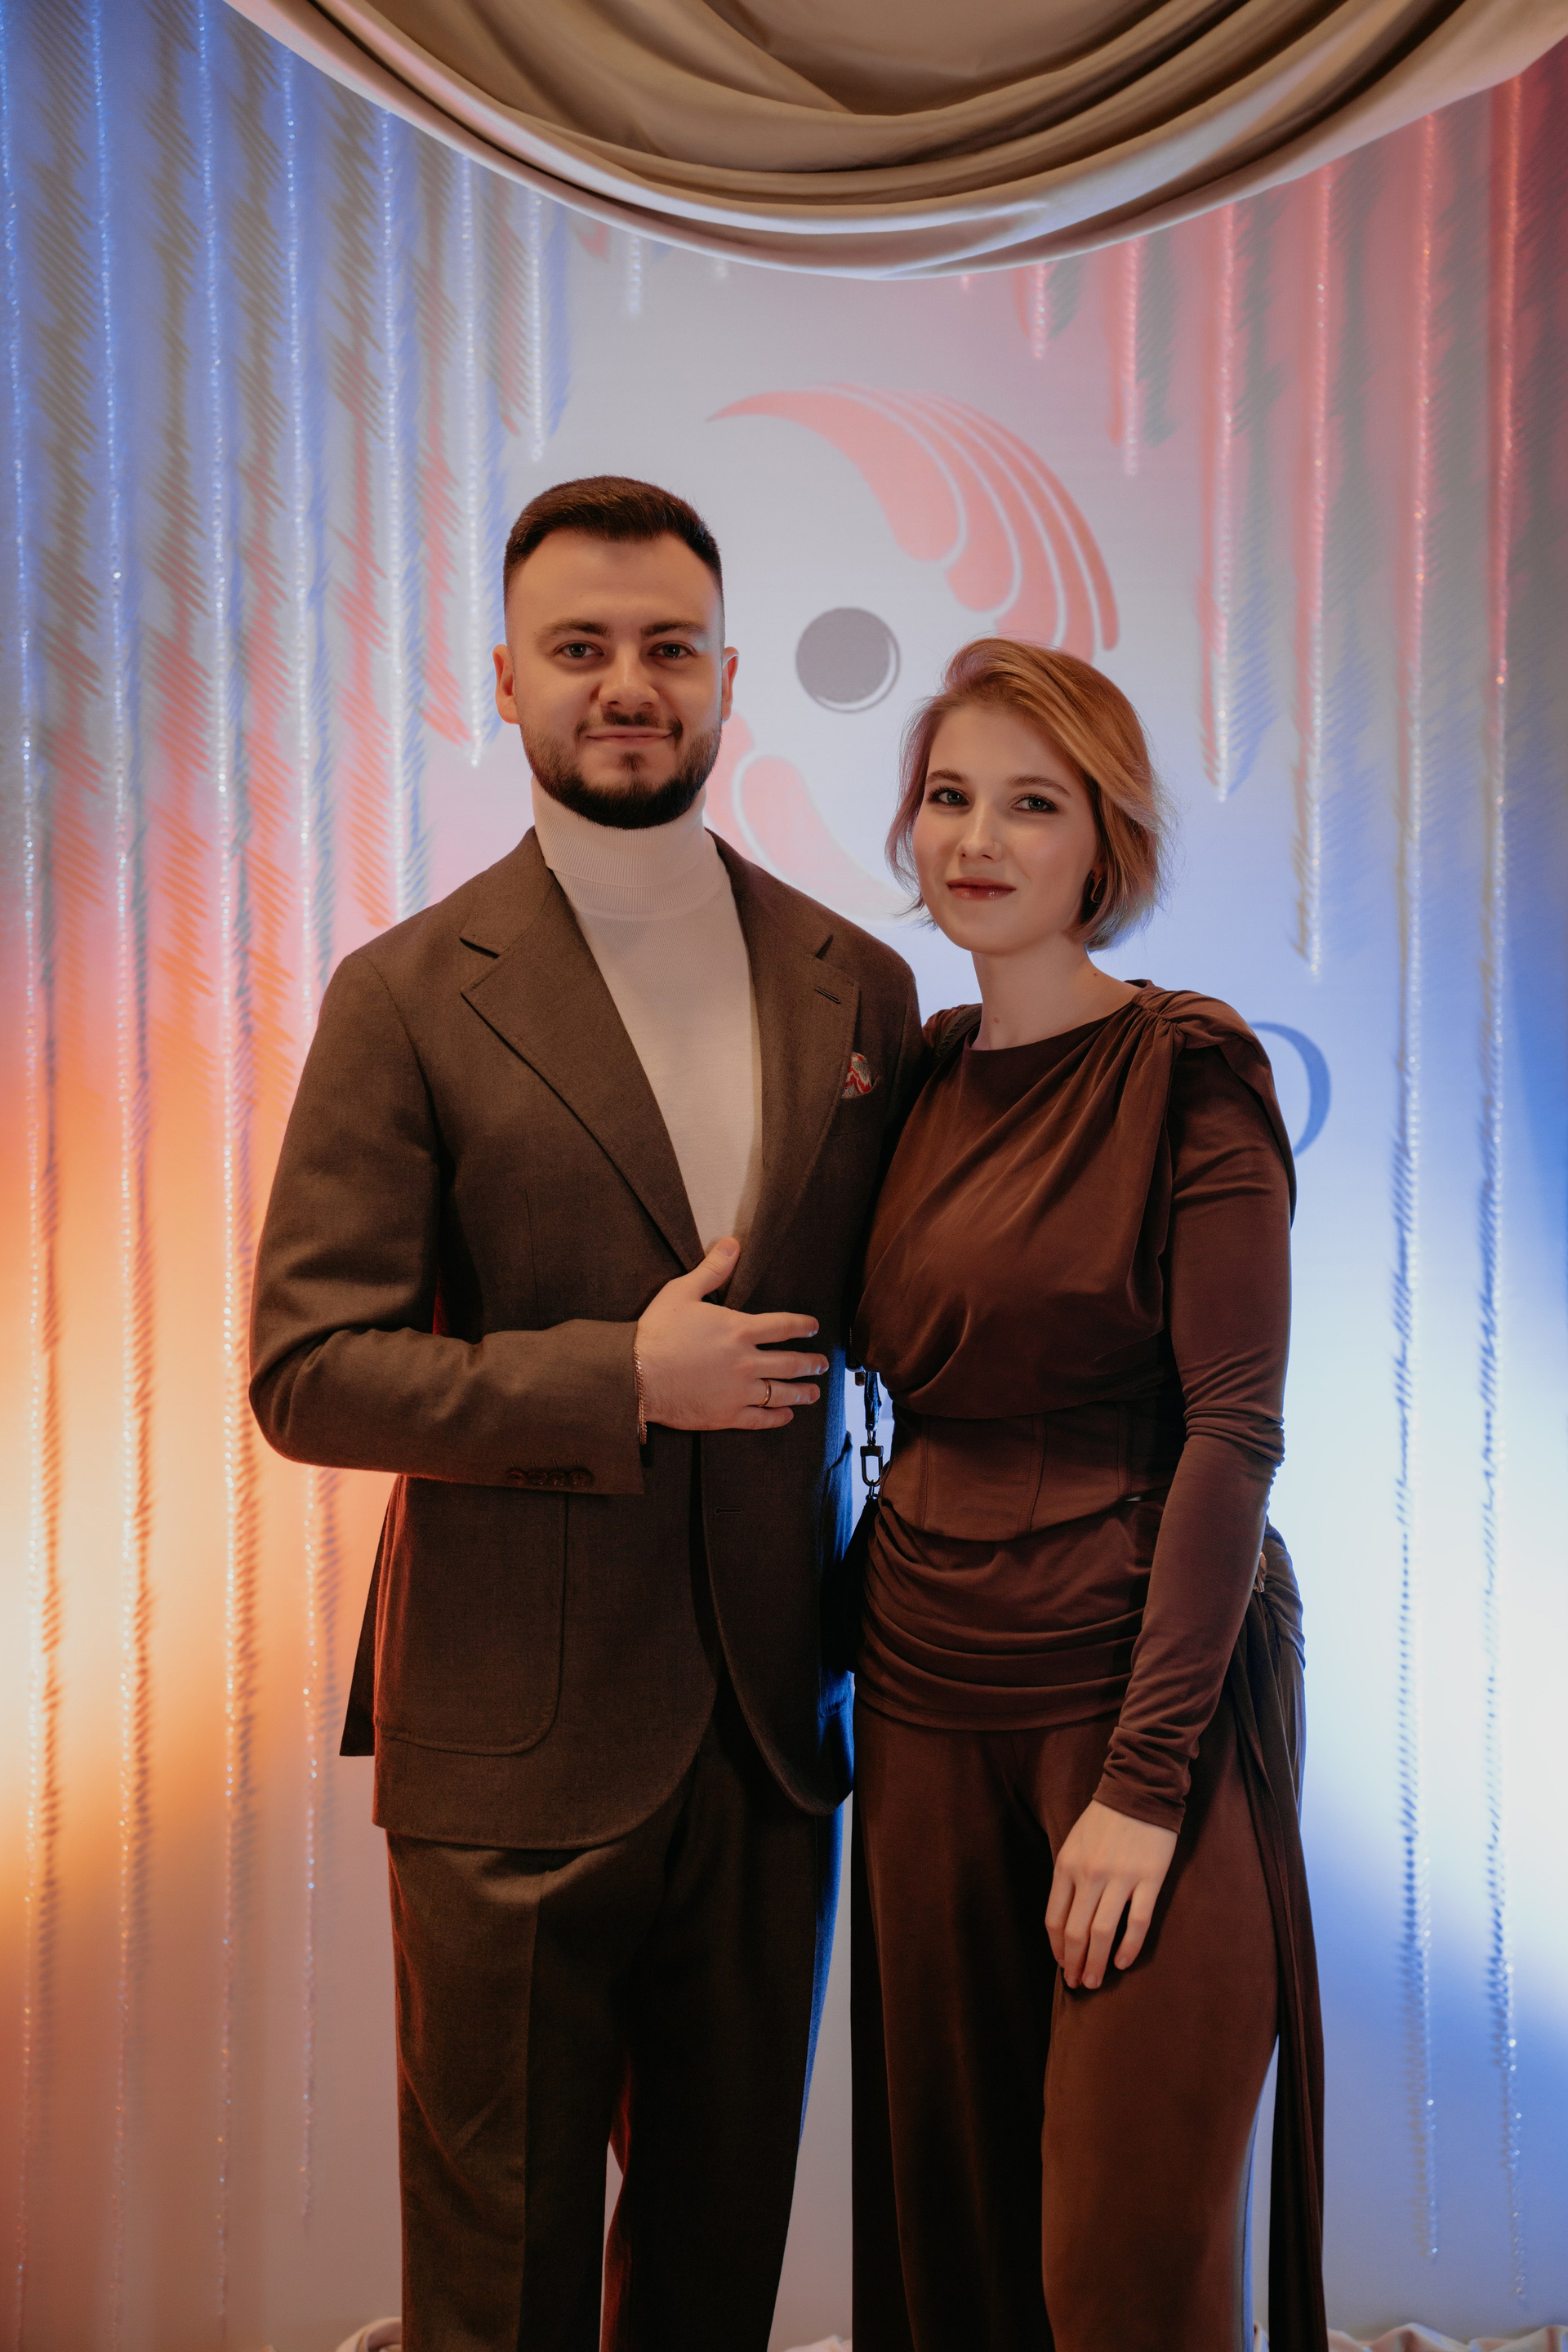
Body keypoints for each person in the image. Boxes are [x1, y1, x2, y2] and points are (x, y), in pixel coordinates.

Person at [249, 476, 921, 2352]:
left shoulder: (859, 983)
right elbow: (307, 1369)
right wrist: (623, 1375)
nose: (628, 683)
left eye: (667, 647)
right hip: (508, 1749)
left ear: (727, 678)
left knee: (716, 2274)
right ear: (506, 679)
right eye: (581, 647)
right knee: (498, 2292)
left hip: (775, 1742)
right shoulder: (404, 994)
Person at [848, 639, 1326, 2352]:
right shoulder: (910, 1080)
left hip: (1137, 1700)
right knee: (959, 2252)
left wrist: (1141, 1780)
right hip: (923, 1698)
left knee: (1123, 2275)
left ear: (1104, 841)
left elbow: (1233, 1436)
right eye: (950, 796)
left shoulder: (1188, 1070)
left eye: (1031, 804)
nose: (979, 839)